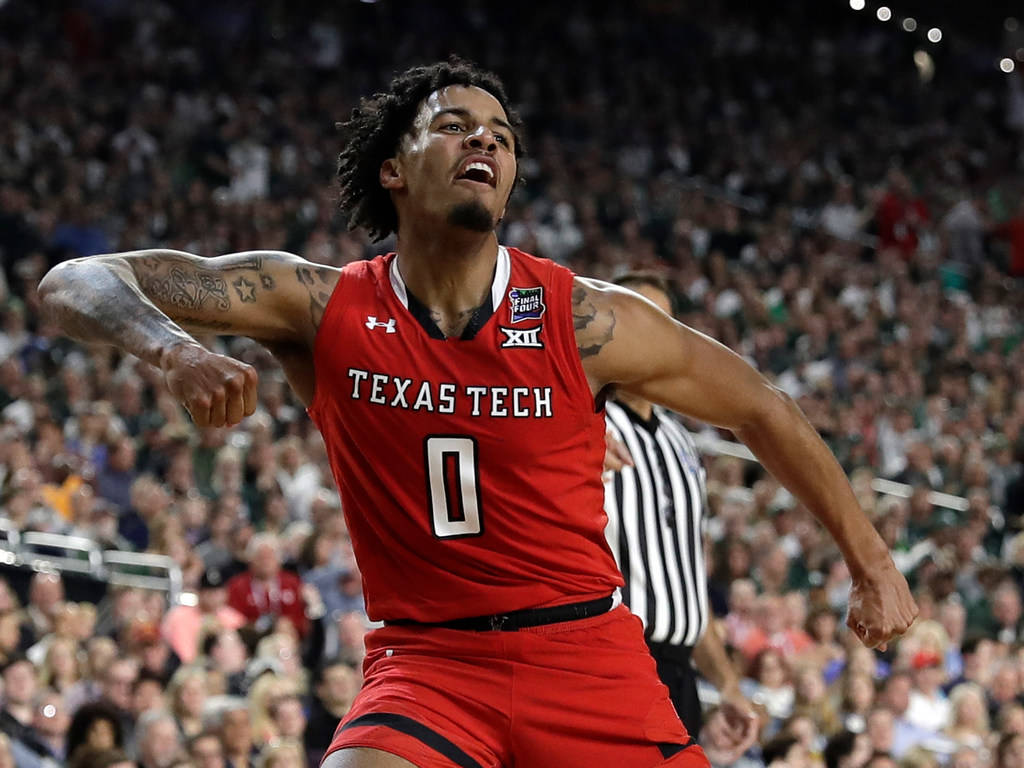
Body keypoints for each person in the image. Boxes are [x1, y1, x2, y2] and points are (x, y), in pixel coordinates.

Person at [40, 58, 917, 768]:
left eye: (500, 136)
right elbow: (74, 280)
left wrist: (872, 562)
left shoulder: (584, 318)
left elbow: (760, 406)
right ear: (394, 168)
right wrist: (174, 348)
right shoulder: (315, 305)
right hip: (427, 666)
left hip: (588, 658)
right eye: (455, 126)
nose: (484, 142)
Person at [602, 273, 758, 760]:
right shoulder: (577, 418)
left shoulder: (682, 440)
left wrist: (729, 687)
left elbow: (686, 588)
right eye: (637, 318)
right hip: (609, 667)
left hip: (679, 672)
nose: (652, 335)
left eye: (663, 322)